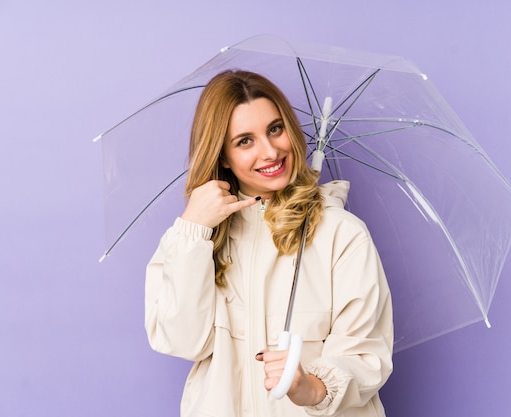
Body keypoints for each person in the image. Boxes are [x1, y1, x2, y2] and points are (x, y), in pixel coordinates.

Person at [145, 69, 393, 416]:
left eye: (275, 129)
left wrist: (312, 388)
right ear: (222, 156)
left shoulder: (342, 234)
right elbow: (182, 341)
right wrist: (194, 229)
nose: (271, 151)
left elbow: (366, 353)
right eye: (245, 141)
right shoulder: (194, 237)